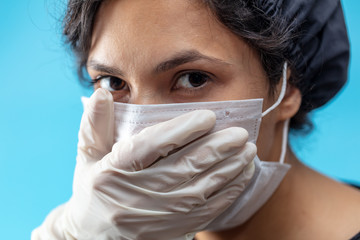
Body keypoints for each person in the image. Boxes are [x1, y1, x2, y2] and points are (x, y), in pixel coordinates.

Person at [32, 0, 360, 239]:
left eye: (193, 79)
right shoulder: (98, 228)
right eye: (113, 82)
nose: (139, 138)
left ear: (288, 87)